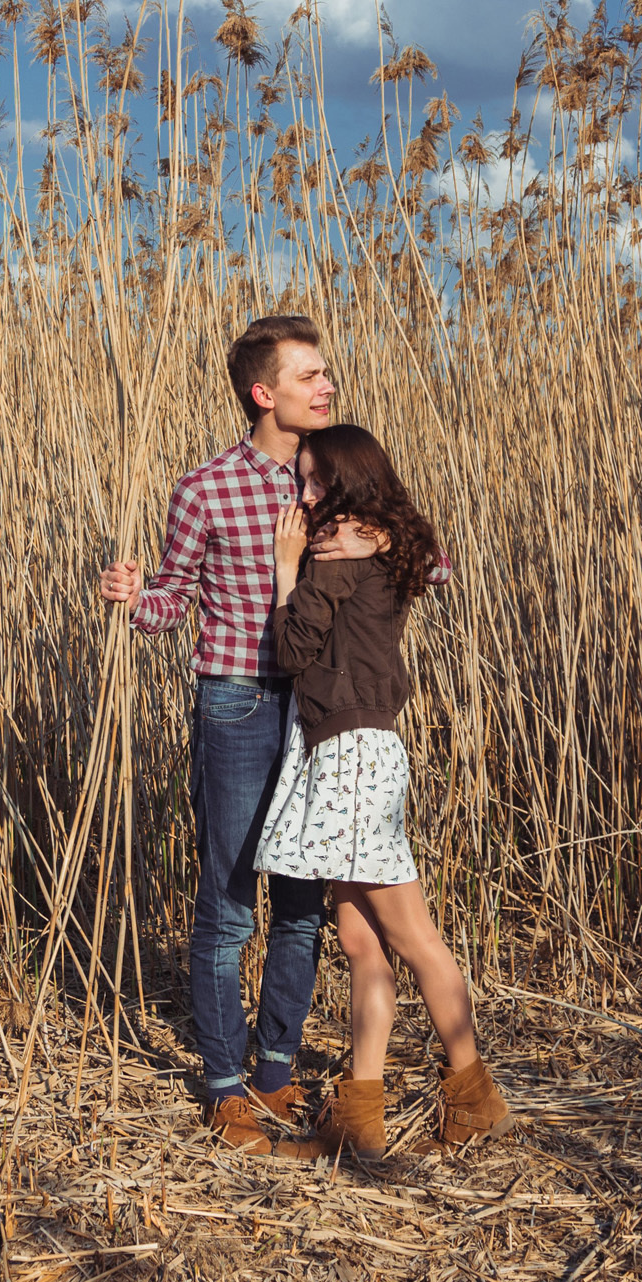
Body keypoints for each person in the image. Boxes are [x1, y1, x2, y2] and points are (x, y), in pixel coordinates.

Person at [96, 315, 380, 1154]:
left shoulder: (341, 477)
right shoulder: (206, 487)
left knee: (300, 907)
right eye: (310, 376)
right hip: (238, 704)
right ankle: (224, 1086)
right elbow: (169, 603)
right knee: (227, 912)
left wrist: (385, 540)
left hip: (321, 710)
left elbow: (422, 561)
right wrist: (129, 593)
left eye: (326, 373)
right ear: (265, 392)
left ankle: (277, 1071)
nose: (327, 385)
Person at [260, 423, 514, 1159]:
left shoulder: (337, 548)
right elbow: (436, 561)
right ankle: (359, 1119)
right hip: (355, 751)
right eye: (301, 481)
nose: (303, 498)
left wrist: (287, 571)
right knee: (360, 940)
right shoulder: (375, 541)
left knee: (412, 938)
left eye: (313, 483)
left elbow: (290, 648)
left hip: (351, 756)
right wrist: (391, 542)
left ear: (344, 487)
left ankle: (474, 1097)